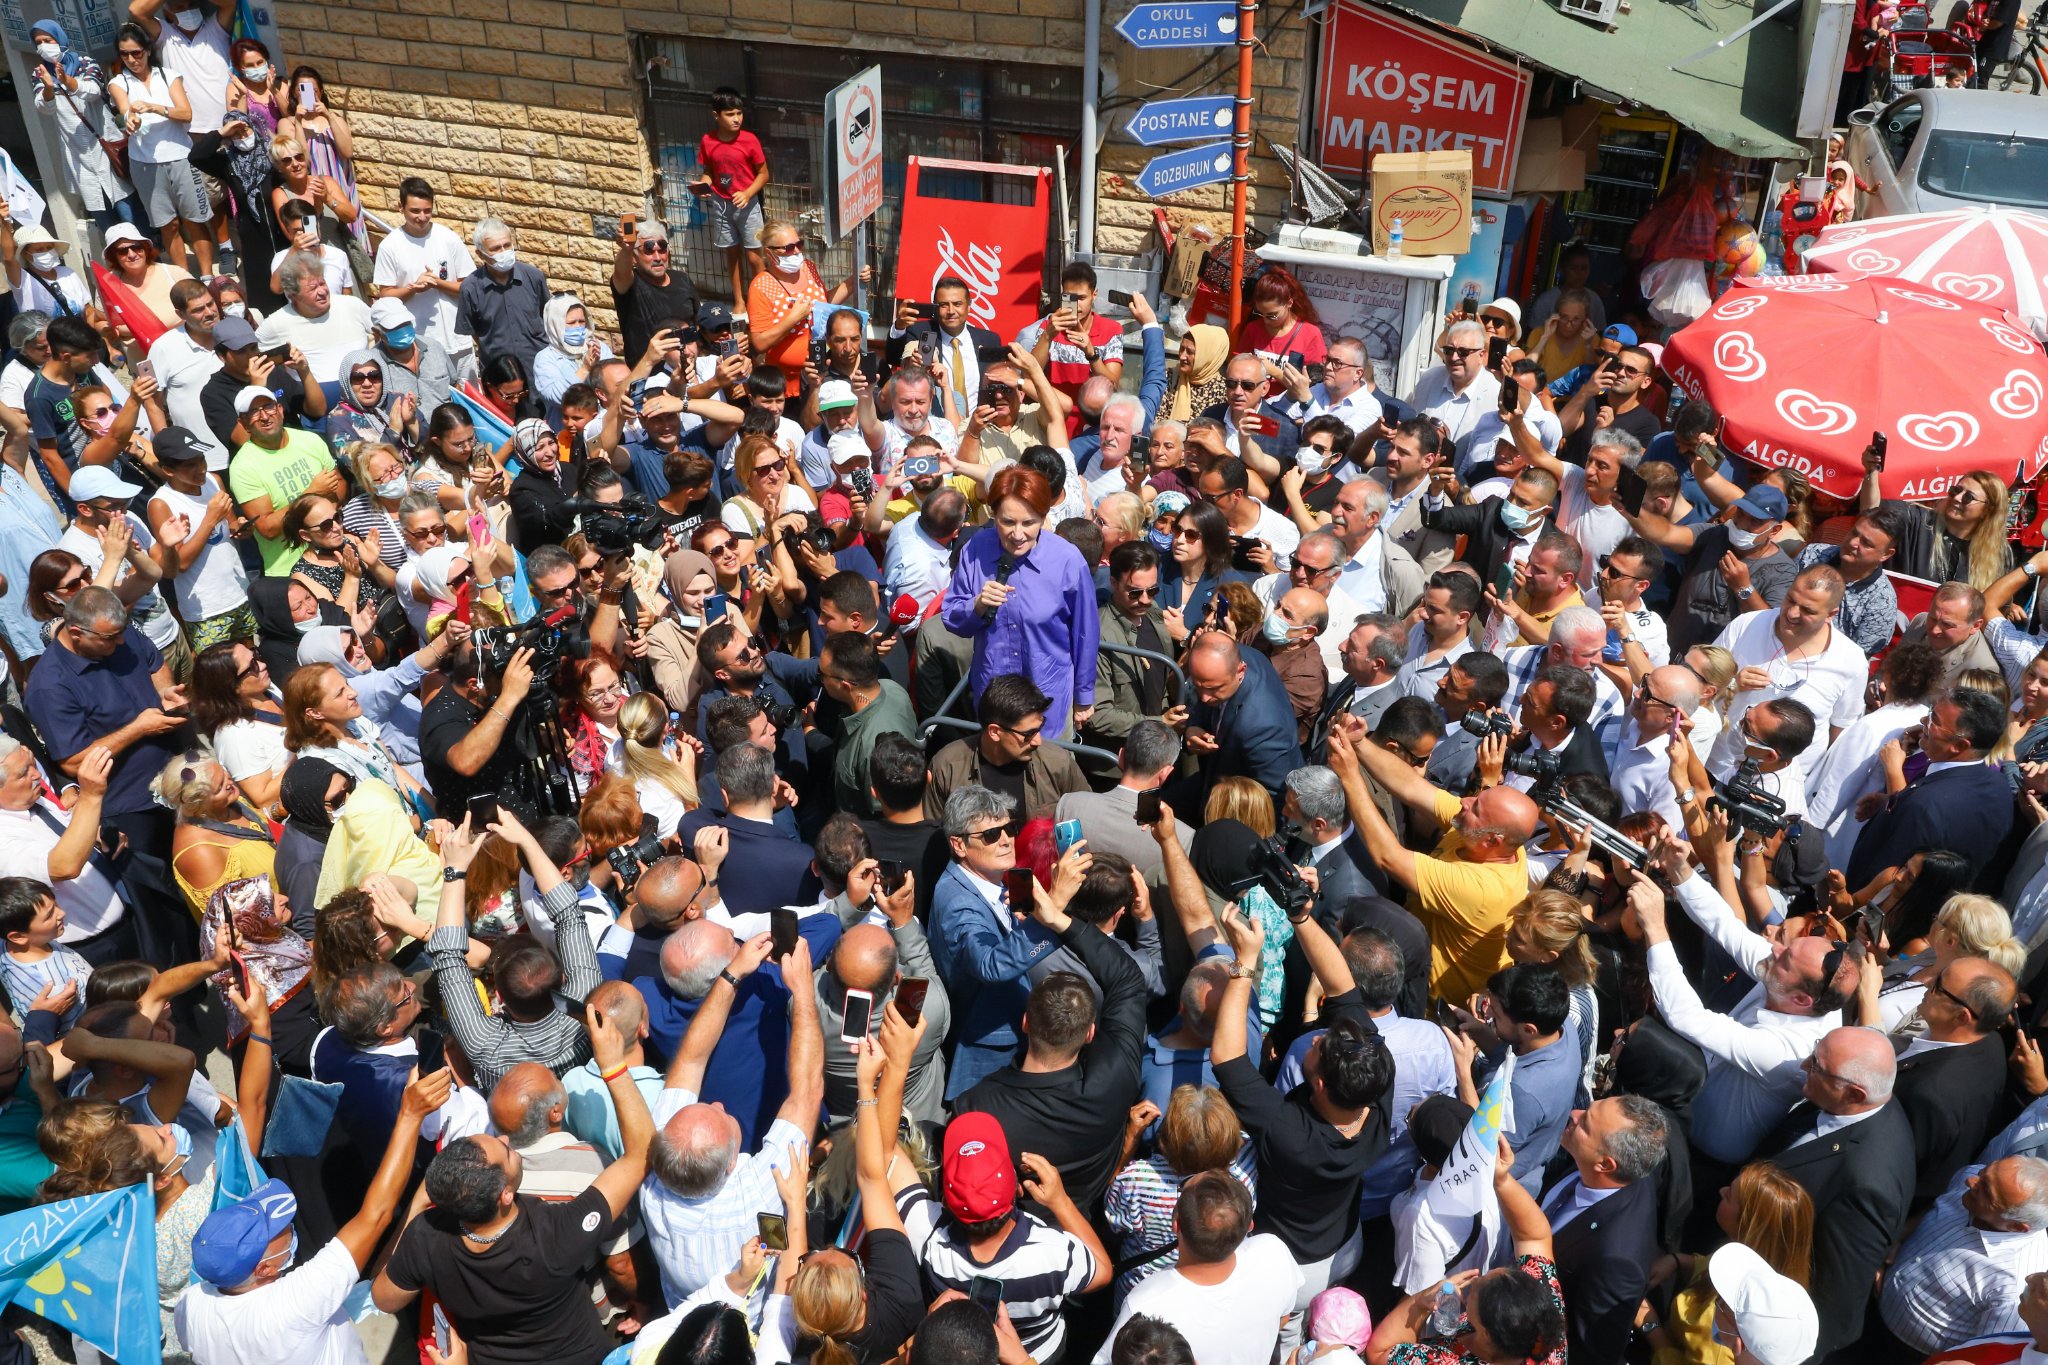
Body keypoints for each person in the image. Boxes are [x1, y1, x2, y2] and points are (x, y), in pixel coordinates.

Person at [175, 1067, 450, 1365]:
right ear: (265, 1269)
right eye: (275, 1229)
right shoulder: (292, 1305)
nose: (286, 1224)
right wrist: (410, 1114)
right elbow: (376, 1215)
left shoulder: (191, 1306)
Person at [1209, 902, 1390, 1353]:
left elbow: (1229, 1061)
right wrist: (1301, 917)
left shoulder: (1291, 1133)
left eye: (1320, 1045)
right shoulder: (1375, 1088)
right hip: (1347, 1243)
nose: (1317, 1036)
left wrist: (1244, 963)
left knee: (1288, 1336)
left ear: (1321, 1083)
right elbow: (1345, 990)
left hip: (1295, 1269)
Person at [954, 851, 1148, 1213]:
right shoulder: (1116, 1077)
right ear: (1090, 1033)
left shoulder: (977, 1107)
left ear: (1025, 1022)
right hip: (1086, 1222)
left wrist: (1054, 918)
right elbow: (1127, 978)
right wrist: (1058, 920)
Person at [1325, 714, 1537, 1005]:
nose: (1465, 800)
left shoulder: (1482, 887)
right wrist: (1360, 743)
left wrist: (1350, 776)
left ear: (1492, 841)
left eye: (1476, 808)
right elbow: (1413, 787)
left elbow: (1388, 856)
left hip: (1431, 1006)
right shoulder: (1484, 834)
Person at [941, 466, 1100, 740]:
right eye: (1007, 522)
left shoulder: (1067, 560)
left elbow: (1085, 633)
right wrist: (977, 605)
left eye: (1028, 523)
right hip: (994, 701)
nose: (1017, 534)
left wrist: (1083, 696)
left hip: (1048, 700)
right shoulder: (976, 550)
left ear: (1044, 517)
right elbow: (951, 617)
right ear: (993, 516)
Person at [1093, 1171, 1302, 1365]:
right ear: (1249, 1226)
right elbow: (1283, 1317)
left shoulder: (1145, 1302)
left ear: (1176, 1224)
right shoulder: (1273, 1252)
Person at [1538, 1096, 1668, 1363]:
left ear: (1606, 1165)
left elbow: (1590, 1352)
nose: (1573, 1113)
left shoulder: (1617, 1261)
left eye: (1585, 1123)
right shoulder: (1607, 1171)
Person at [1846, 688, 2012, 889]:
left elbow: (1883, 881)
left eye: (1934, 720)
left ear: (1959, 746)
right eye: (1931, 711)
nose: (1924, 721)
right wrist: (1890, 801)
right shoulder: (1999, 786)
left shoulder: (1924, 806)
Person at [106, 23, 213, 276]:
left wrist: (156, 108)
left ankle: (208, 276)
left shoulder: (169, 76)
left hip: (182, 157)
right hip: (145, 163)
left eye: (136, 53)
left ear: (147, 50)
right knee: (168, 224)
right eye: (124, 54)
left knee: (195, 220)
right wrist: (129, 119)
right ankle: (183, 278)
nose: (131, 60)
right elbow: (123, 110)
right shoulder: (119, 82)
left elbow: (186, 113)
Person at [28, 20, 137, 232]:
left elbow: (94, 91)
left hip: (106, 147)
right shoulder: (40, 74)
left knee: (128, 212)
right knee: (104, 218)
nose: (43, 46)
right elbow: (44, 107)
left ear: (59, 39)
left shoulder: (85, 62)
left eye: (48, 40)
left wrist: (68, 81)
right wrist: (50, 88)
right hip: (78, 155)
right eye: (38, 42)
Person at [228, 383, 344, 575]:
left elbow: (339, 484)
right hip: (290, 573)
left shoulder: (311, 440)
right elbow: (267, 528)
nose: (264, 416)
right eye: (254, 412)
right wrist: (312, 493)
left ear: (280, 410)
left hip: (335, 556)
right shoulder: (242, 467)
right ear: (244, 423)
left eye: (268, 407)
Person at [1179, 633, 1306, 808]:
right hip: (1214, 779)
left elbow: (1275, 797)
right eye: (1198, 685)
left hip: (1241, 806)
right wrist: (1193, 725)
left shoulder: (1264, 728)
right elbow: (1203, 694)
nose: (1204, 698)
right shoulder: (1230, 658)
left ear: (1240, 671)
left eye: (1213, 688)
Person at [697, 87, 768, 314]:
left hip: (748, 207)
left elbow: (764, 174)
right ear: (716, 115)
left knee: (754, 256)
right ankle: (739, 301)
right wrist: (704, 184)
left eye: (739, 113)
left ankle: (763, 302)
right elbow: (709, 170)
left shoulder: (749, 140)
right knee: (732, 254)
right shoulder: (708, 141)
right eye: (730, 114)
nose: (737, 119)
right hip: (721, 204)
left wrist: (747, 193)